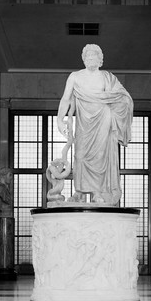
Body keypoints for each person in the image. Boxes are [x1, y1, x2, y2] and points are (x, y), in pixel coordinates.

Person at [57, 44, 133, 205]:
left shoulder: (107, 77)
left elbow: (123, 97)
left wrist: (118, 109)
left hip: (103, 118)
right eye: (88, 56)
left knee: (100, 157)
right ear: (84, 59)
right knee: (80, 154)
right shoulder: (75, 76)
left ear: (100, 60)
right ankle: (79, 191)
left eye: (94, 56)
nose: (91, 59)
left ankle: (97, 192)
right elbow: (65, 99)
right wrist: (59, 118)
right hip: (84, 122)